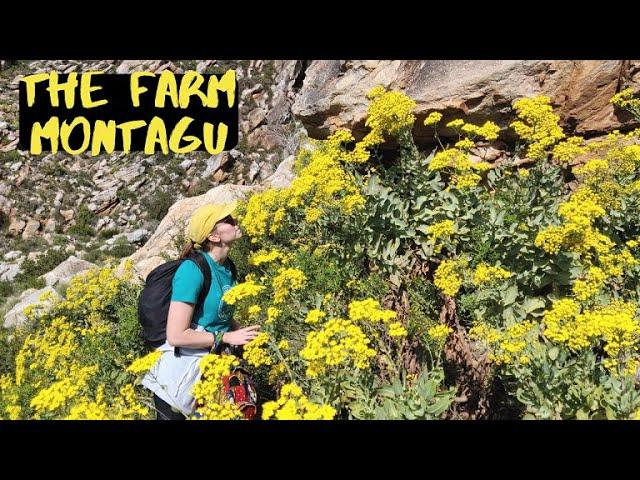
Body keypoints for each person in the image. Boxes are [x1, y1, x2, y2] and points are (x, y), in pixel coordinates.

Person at [141, 200, 261, 420]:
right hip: (180, 378)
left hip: (212, 370)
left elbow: (220, 310)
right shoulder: (192, 271)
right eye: (227, 220)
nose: (235, 222)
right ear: (213, 237)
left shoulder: (227, 267)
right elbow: (177, 335)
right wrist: (228, 336)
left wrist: (241, 331)